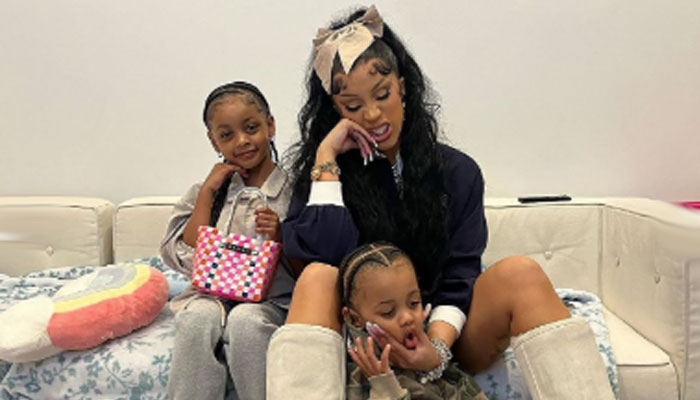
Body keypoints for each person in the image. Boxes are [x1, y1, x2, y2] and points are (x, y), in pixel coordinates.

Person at [266, 6, 614, 400]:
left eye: (382, 94)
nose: (373, 114)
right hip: (360, 342)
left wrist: (434, 350)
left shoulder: (457, 172)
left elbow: (459, 276)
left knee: (522, 273)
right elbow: (322, 256)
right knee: (317, 277)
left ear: (402, 87)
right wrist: (326, 158)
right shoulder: (321, 174)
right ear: (336, 110)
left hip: (443, 335)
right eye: (353, 106)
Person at [161, 81, 294, 400]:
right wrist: (208, 193)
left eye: (251, 128)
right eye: (226, 135)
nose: (242, 141)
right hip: (211, 296)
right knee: (196, 319)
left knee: (247, 323)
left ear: (270, 125)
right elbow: (184, 253)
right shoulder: (207, 191)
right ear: (213, 141)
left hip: (271, 301)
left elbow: (309, 260)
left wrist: (280, 235)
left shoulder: (293, 191)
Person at [340, 241, 488, 400]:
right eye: (388, 312)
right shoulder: (359, 375)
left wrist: (436, 364)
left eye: (414, 303)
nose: (408, 318)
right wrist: (385, 387)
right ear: (354, 319)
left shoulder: (427, 342)